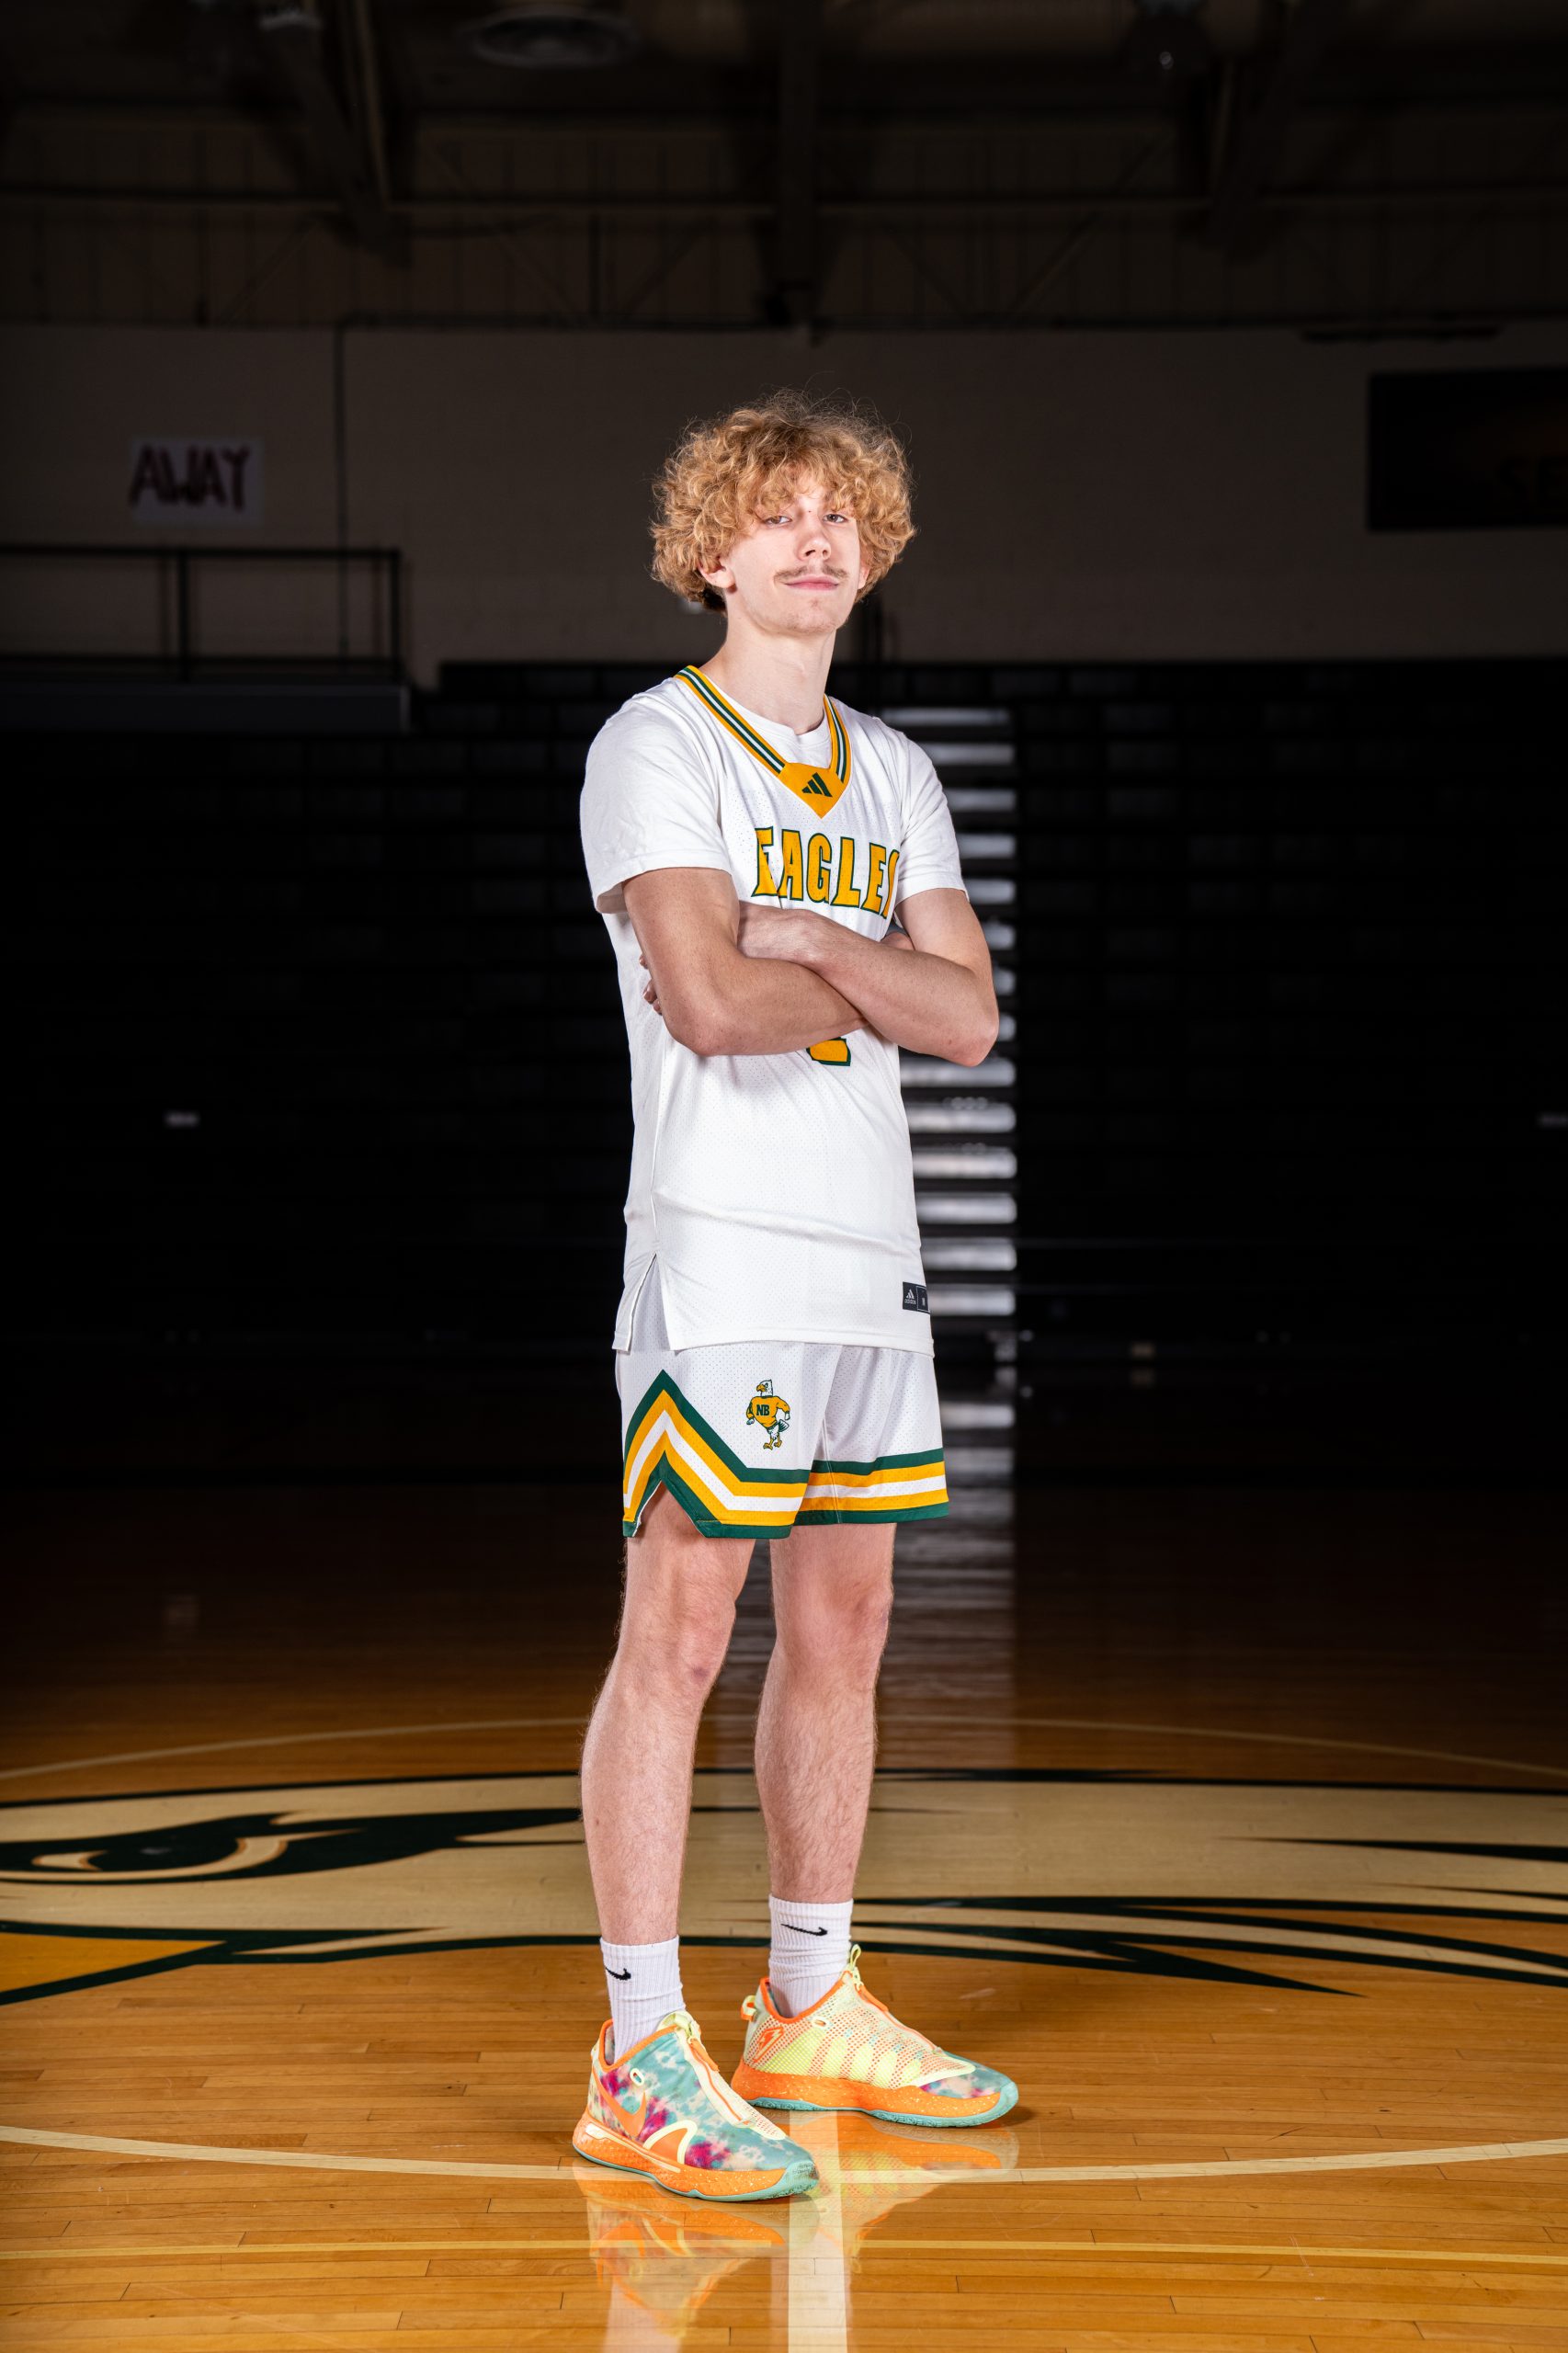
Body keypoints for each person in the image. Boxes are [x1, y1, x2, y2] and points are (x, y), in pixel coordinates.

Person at [574, 387, 1017, 2201]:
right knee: (680, 1636)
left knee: (844, 1629)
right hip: (723, 1252)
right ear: (711, 554)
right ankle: (635, 2050)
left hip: (865, 1262)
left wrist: (816, 937)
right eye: (775, 513)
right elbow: (702, 1000)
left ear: (874, 551)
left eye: (841, 514)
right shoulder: (654, 744)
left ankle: (808, 2000)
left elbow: (969, 1018)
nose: (814, 537)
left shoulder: (894, 771)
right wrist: (875, 971)